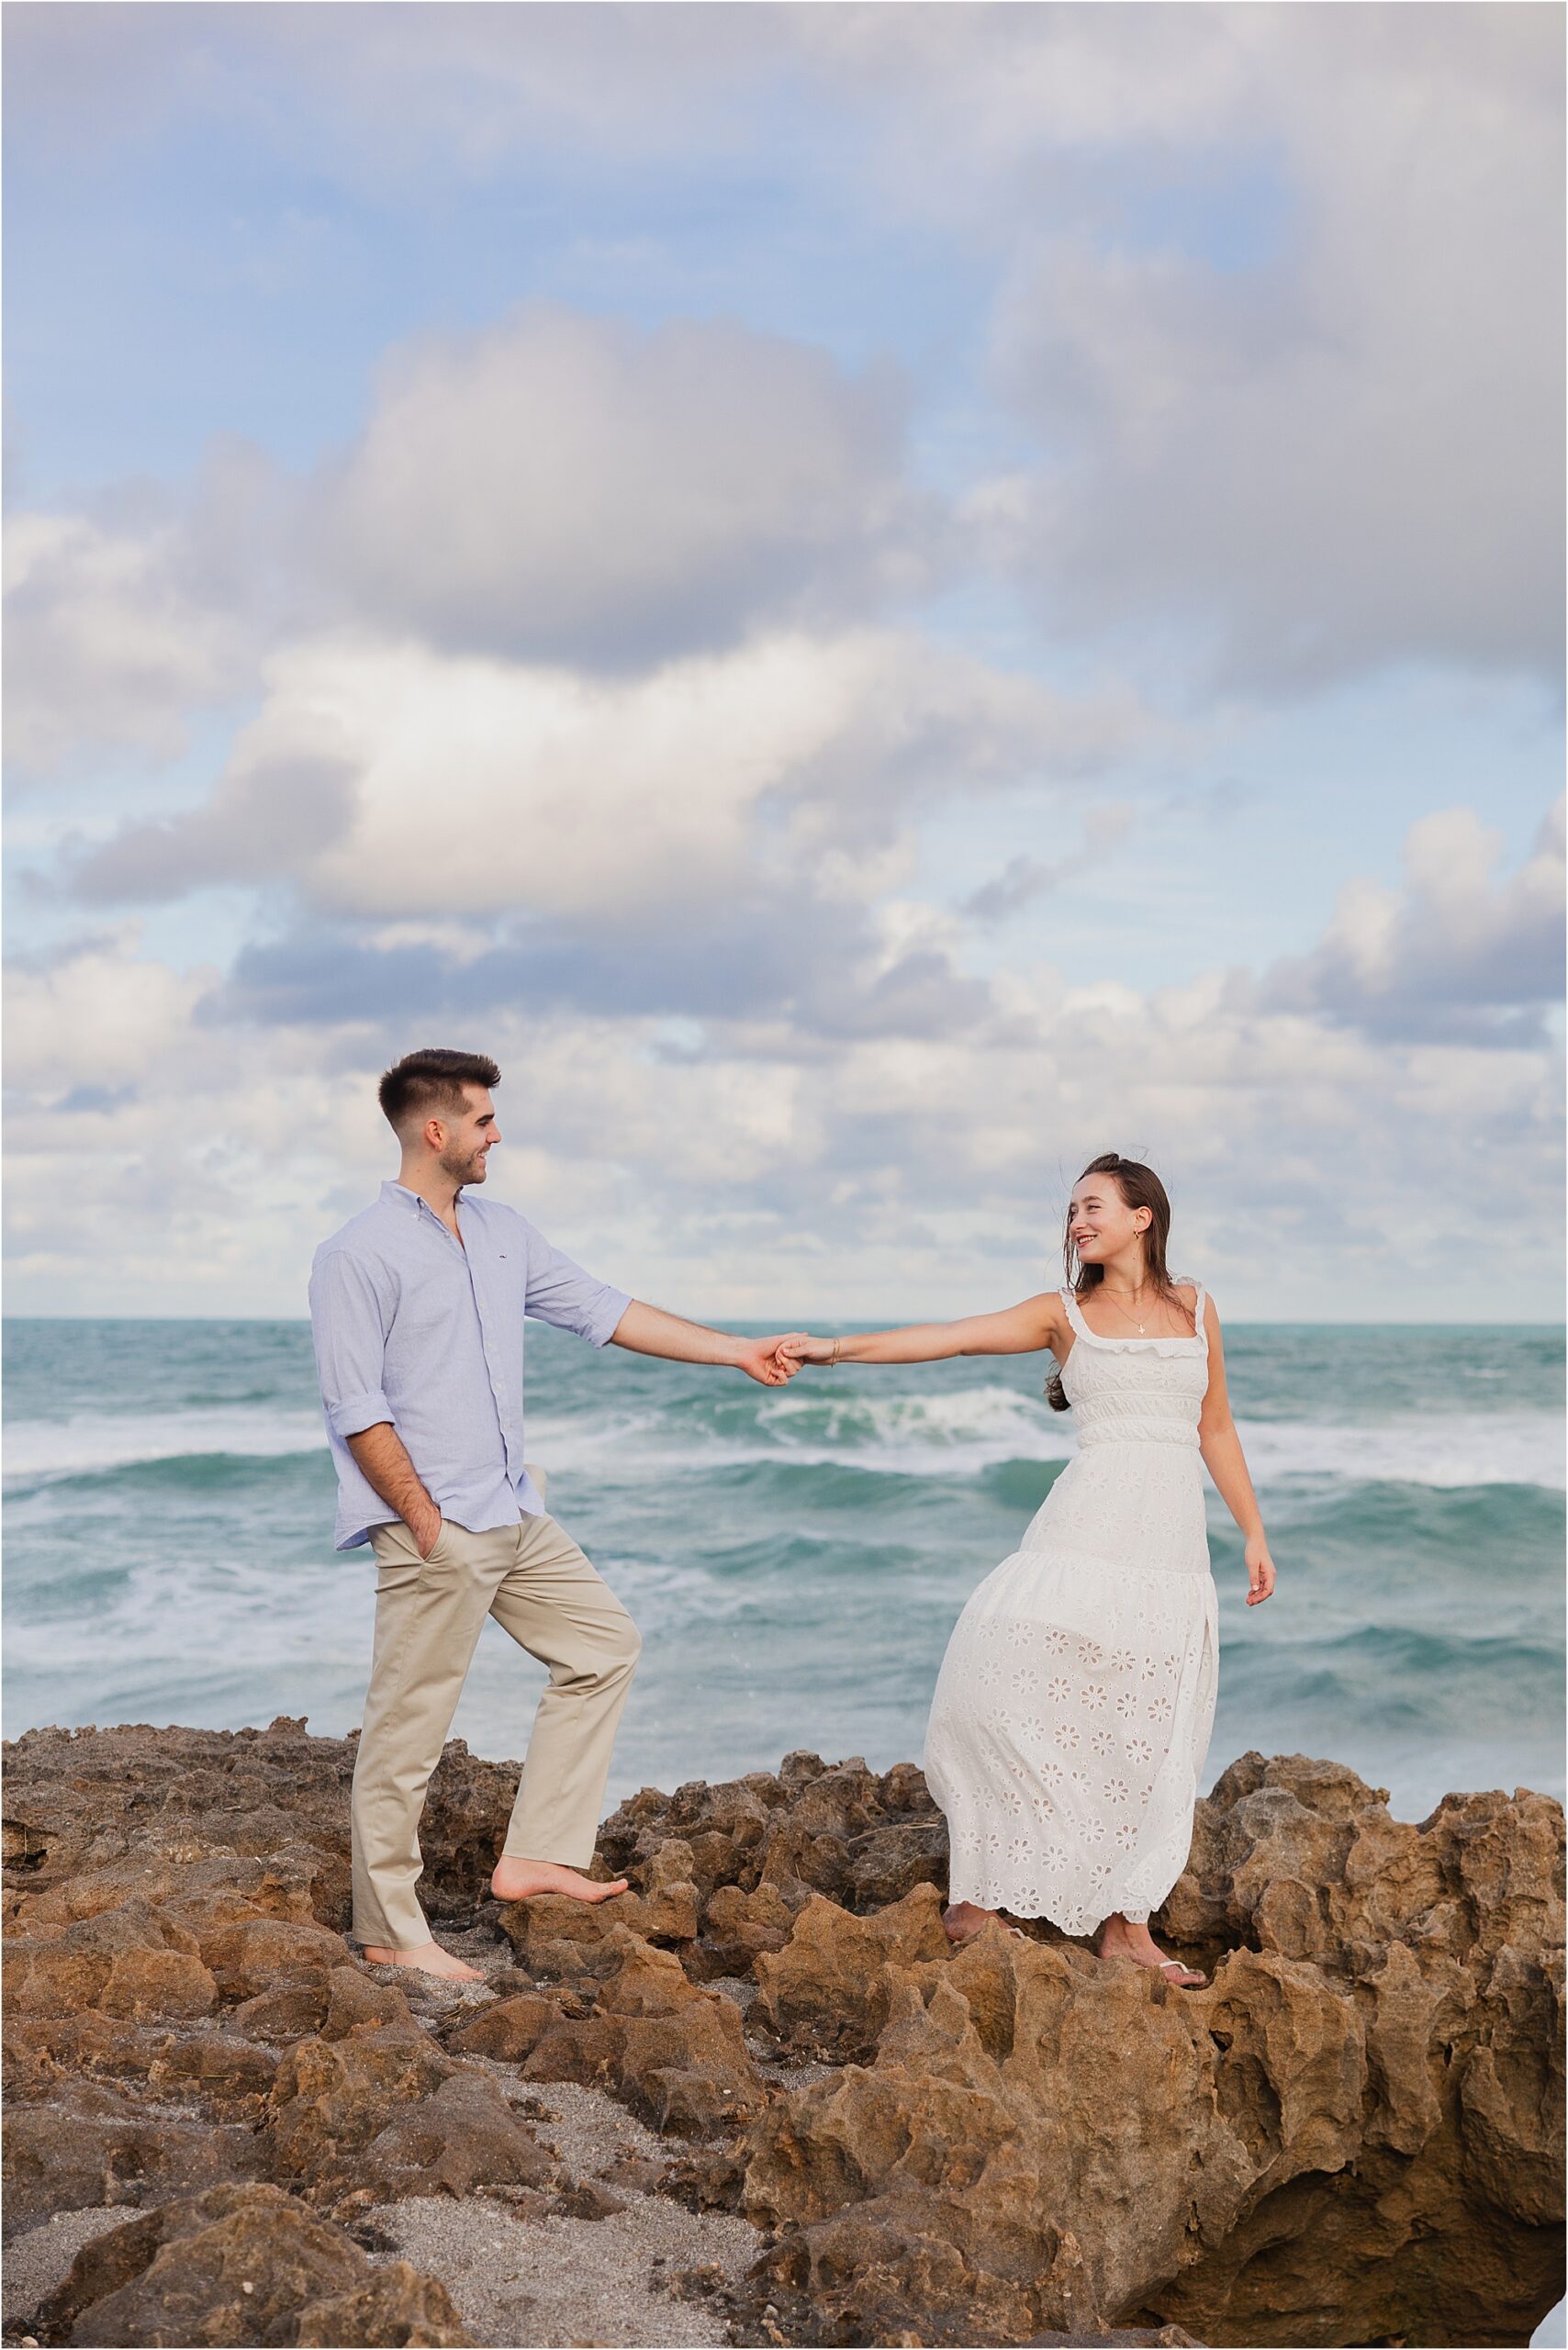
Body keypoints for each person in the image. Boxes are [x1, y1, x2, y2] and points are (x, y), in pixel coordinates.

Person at [309, 1046, 804, 1982]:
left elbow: (605, 1310)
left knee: (602, 1645)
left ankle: (535, 1856)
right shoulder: (356, 1254)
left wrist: (736, 1351)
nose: (498, 1134)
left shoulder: (504, 1233)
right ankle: (390, 1930)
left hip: (511, 1507)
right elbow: (356, 1408)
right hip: (436, 1524)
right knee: (407, 1729)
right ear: (435, 1130)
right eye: (484, 1119)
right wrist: (421, 1519)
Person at [778, 1152, 1275, 1986]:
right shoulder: (1062, 1314)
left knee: (1151, 1729)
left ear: (1142, 1217)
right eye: (1072, 1211)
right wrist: (832, 1349)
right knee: (998, 1678)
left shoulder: (1197, 1308)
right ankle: (981, 1893)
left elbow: (1215, 1427)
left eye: (1093, 1207)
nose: (1077, 1222)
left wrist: (1253, 1533)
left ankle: (1127, 1926)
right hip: (1082, 1528)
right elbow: (952, 1338)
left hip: (1169, 1551)